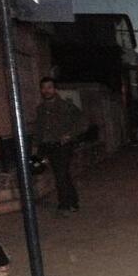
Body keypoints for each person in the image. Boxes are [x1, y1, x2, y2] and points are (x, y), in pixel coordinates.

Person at [34, 77, 88, 217]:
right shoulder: (40, 109)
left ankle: (63, 206)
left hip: (63, 146)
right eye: (44, 88)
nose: (46, 90)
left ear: (55, 89)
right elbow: (39, 129)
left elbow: (83, 121)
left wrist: (70, 134)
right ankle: (73, 202)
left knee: (60, 175)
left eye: (49, 87)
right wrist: (37, 147)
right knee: (63, 175)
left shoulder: (66, 106)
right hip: (48, 146)